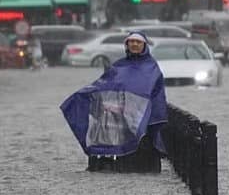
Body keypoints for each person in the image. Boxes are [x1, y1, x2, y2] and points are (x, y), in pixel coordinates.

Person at [60, 31, 168, 171]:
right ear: (127, 45)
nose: (135, 44)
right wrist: (86, 94)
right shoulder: (118, 66)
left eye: (138, 42)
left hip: (143, 122)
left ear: (144, 45)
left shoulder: (152, 68)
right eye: (131, 41)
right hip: (119, 121)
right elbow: (104, 85)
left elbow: (156, 94)